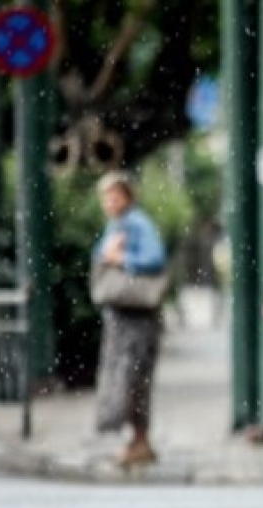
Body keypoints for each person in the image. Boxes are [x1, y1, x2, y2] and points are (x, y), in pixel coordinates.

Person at [91, 171, 166, 467]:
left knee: (134, 376)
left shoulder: (136, 223)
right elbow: (100, 255)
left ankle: (140, 441)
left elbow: (154, 258)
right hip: (123, 315)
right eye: (106, 196)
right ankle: (136, 439)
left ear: (128, 197)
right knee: (128, 376)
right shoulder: (118, 225)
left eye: (115, 195)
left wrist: (121, 260)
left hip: (137, 316)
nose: (110, 202)